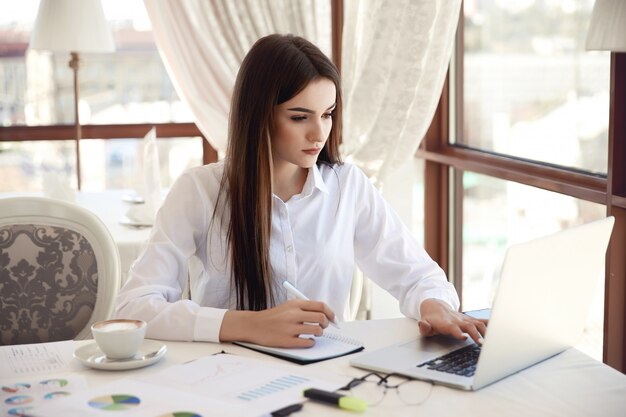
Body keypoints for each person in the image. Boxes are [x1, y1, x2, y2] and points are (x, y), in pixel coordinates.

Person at [115, 33, 487, 348]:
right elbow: (133, 308)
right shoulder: (199, 192)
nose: (319, 133)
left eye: (327, 114)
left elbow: (419, 276)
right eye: (299, 117)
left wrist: (433, 303)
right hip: (225, 378)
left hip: (326, 375)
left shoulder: (348, 186)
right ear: (258, 114)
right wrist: (247, 325)